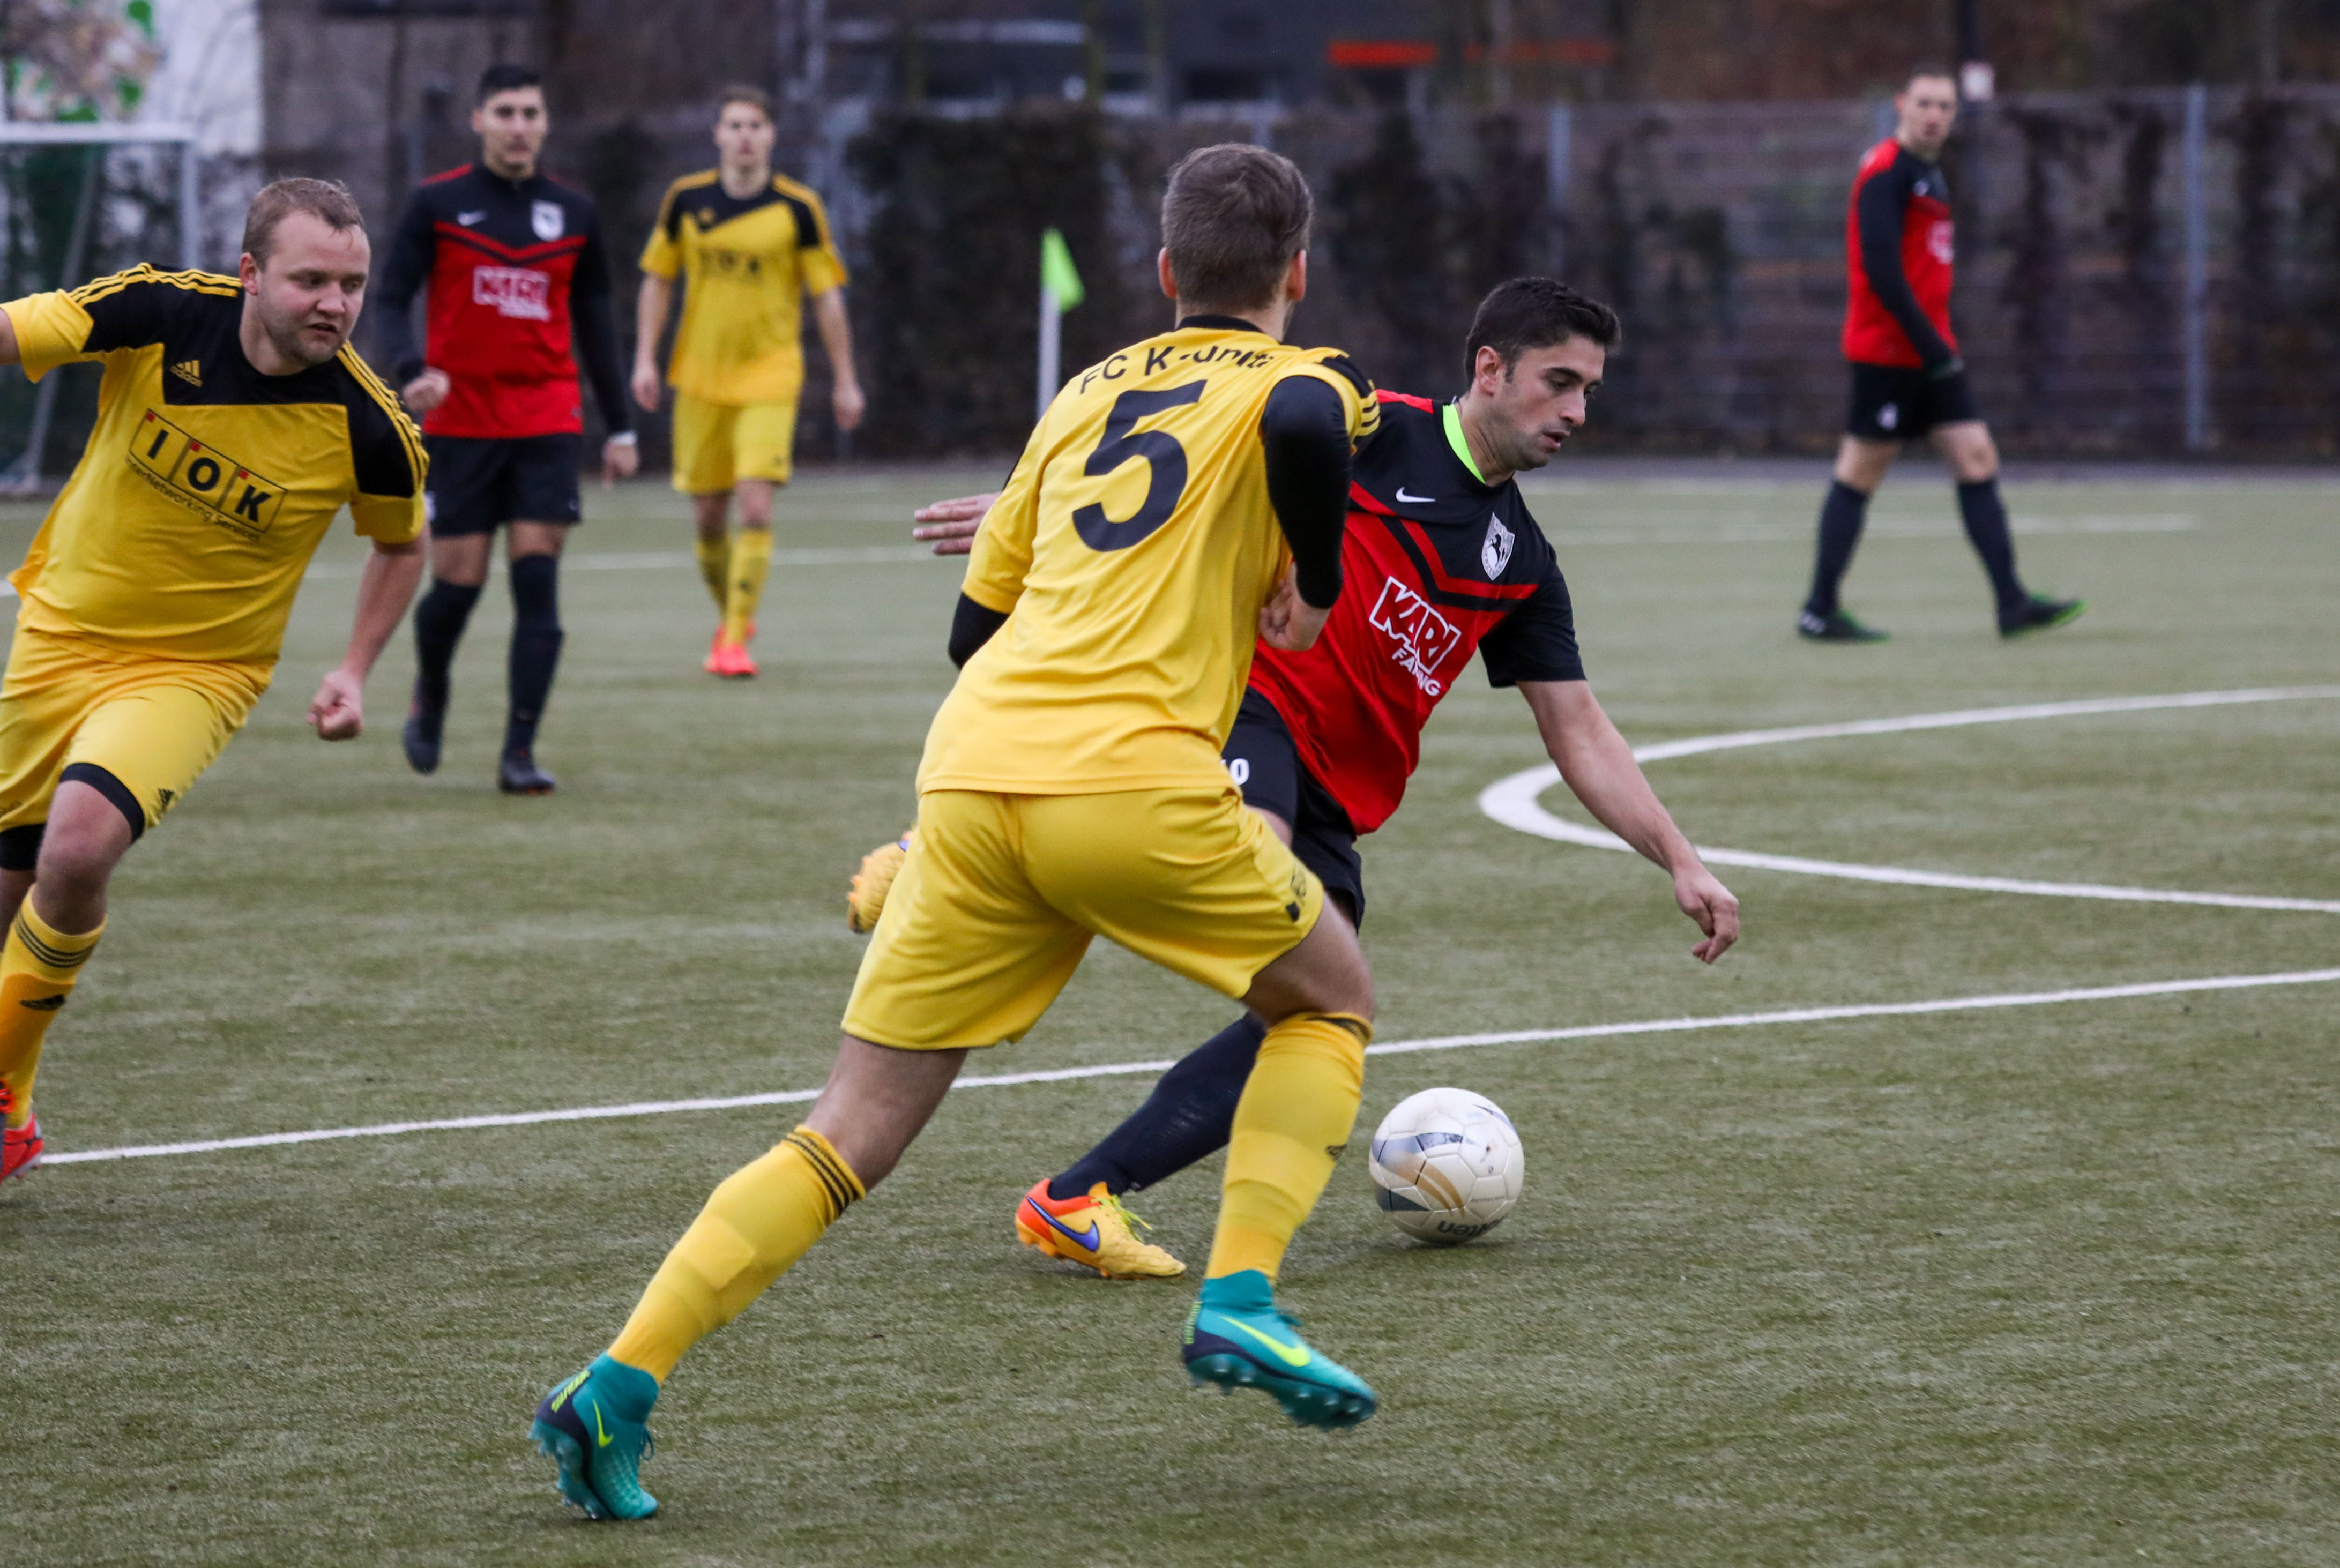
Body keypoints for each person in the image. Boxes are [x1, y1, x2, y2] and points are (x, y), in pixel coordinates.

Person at [532, 145, 1383, 1521]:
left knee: (846, 1133)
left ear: (1165, 271)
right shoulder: (1312, 375)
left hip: (974, 771)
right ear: (1299, 270)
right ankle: (1241, 1296)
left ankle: (614, 1385)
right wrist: (1320, 580)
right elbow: (1296, 419)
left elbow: (972, 628)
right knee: (1330, 999)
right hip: (1134, 779)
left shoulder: (1082, 394)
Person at [886, 279, 1739, 1279]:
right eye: (1560, 382)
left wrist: (1680, 858)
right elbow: (1186, 449)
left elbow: (1577, 727)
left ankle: (1077, 1198)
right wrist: (1040, 508)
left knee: (1310, 1007)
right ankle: (945, 852)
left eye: (1590, 390)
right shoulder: (1374, 431)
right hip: (1244, 707)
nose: (1578, 411)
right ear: (1490, 369)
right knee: (1254, 870)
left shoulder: (1522, 564)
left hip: (1339, 796)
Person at [0, 179, 428, 1215]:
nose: (334, 303)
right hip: (59, 634)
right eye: (310, 280)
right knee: (15, 888)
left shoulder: (370, 425)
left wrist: (353, 669)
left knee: (77, 851)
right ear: (251, 275)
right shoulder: (159, 311)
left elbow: (401, 544)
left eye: (351, 284)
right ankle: (13, 1114)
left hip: (198, 672)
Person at [371, 62, 638, 795]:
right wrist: (410, 368)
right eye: (506, 113)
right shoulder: (436, 204)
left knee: (537, 578)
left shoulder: (574, 213)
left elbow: (596, 322)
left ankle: (519, 751)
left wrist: (620, 427)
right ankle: (431, 686)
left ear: (544, 124)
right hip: (460, 419)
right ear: (479, 121)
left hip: (547, 416)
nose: (519, 127)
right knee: (456, 584)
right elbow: (390, 298)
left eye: (530, 113)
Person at [1798, 65, 2082, 644]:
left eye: (1945, 106)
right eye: (1924, 103)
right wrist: (1931, 347)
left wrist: (1935, 347)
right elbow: (1882, 271)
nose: (1933, 115)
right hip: (1888, 354)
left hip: (1929, 353)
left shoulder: (1928, 173)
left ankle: (2011, 603)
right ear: (1901, 105)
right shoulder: (1885, 171)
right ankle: (1818, 610)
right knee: (1860, 471)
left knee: (1975, 458)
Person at [632, 85, 863, 678]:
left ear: (770, 136)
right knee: (709, 518)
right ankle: (733, 616)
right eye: (734, 125)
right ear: (717, 134)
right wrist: (644, 359)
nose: (744, 136)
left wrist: (846, 379)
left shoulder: (799, 208)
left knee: (755, 506)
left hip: (770, 377)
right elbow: (658, 279)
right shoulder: (685, 200)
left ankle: (732, 641)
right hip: (700, 378)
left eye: (755, 126)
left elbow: (827, 297)